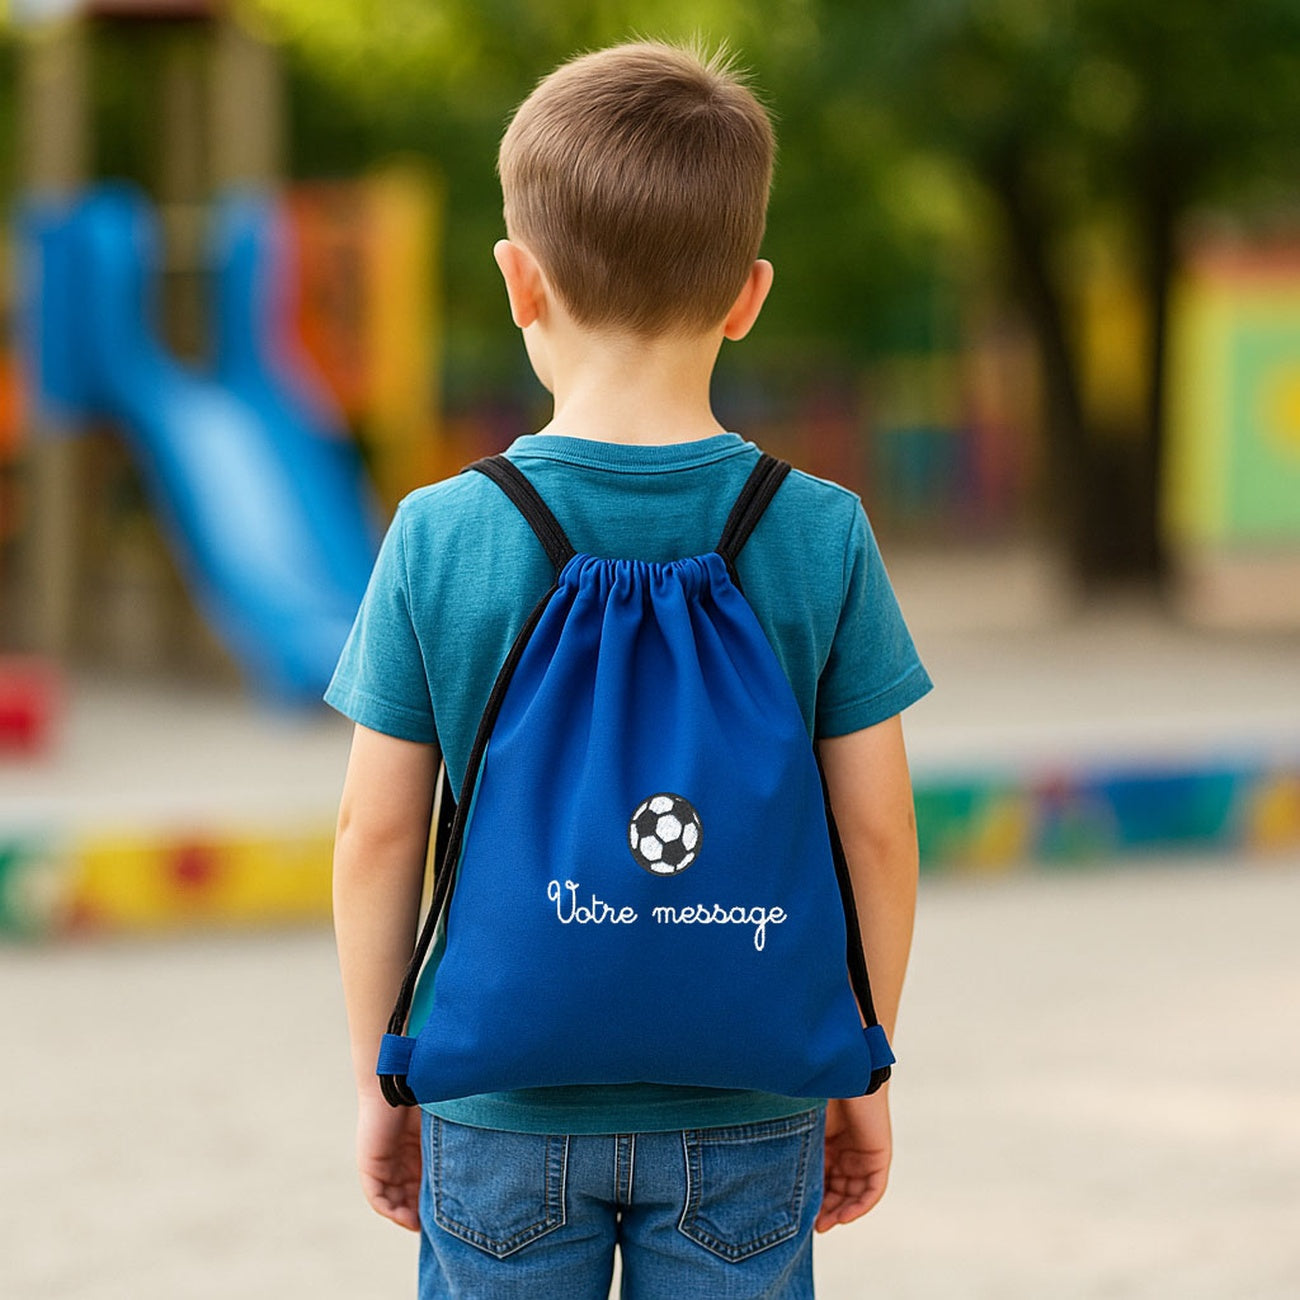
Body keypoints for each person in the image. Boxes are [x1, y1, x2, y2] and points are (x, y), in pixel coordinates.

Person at [326, 40, 932, 1300]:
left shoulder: (442, 533)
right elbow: (876, 834)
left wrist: (389, 1068)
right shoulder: (818, 531)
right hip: (750, 1098)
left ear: (518, 280)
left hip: (499, 1101)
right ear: (748, 292)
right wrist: (860, 1062)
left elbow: (375, 835)